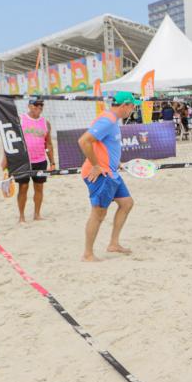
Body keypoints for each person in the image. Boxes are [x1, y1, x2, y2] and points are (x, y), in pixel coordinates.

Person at [78, 91, 139, 261]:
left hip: (111, 171)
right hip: (99, 174)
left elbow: (103, 144)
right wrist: (97, 165)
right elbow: (84, 141)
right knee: (98, 214)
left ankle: (113, 244)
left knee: (127, 203)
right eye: (132, 106)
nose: (133, 110)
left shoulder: (112, 120)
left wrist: (115, 161)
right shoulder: (107, 120)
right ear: (124, 105)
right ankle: (88, 254)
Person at [0, 97, 55, 223]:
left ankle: (37, 214)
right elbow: (10, 140)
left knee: (39, 188)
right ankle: (21, 217)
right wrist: (5, 159)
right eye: (36, 105)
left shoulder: (45, 123)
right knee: (23, 187)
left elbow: (49, 144)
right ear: (29, 106)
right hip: (23, 161)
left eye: (41, 105)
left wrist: (52, 162)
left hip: (40, 160)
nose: (39, 107)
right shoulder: (20, 119)